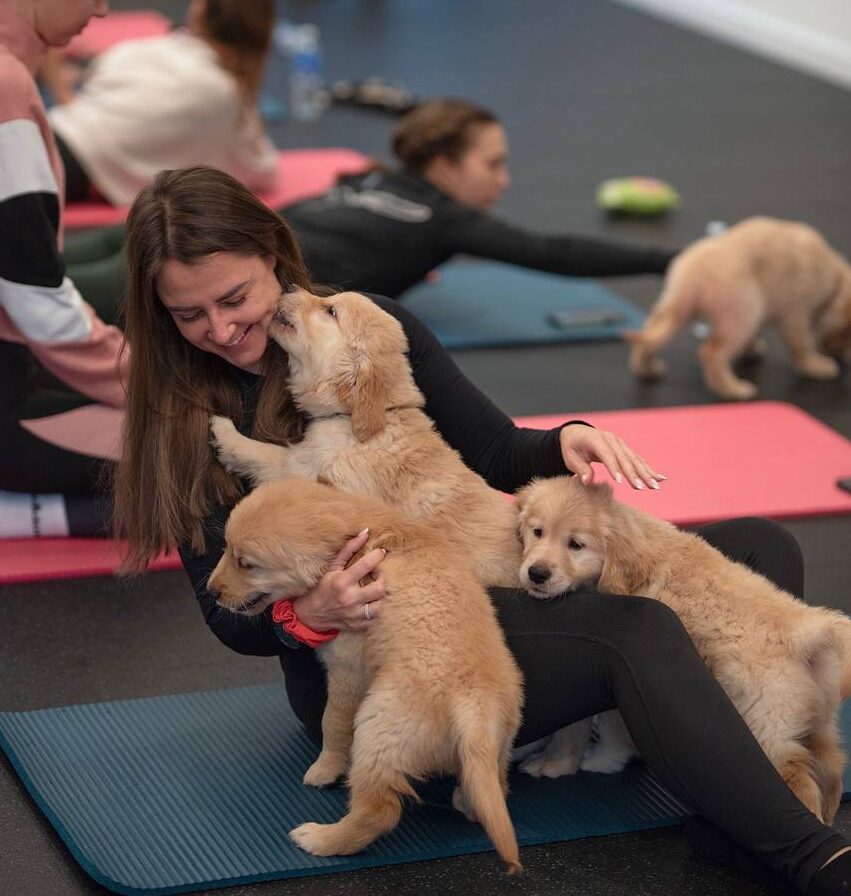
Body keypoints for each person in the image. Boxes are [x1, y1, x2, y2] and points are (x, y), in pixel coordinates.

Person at [113, 166, 851, 895]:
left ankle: (733, 793)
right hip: (399, 665)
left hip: (485, 585)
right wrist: (305, 615)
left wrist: (563, 438)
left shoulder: (366, 326)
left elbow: (493, 448)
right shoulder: (180, 416)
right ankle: (806, 855)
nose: (220, 327)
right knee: (637, 627)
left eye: (234, 297)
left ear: (273, 255)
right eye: (188, 315)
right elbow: (227, 618)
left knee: (761, 544)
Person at [279, 97, 678, 298]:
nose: (503, 181)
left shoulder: (368, 180)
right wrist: (669, 262)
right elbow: (554, 253)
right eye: (493, 165)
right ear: (444, 165)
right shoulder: (446, 220)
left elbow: (284, 218)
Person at [0, 0, 126, 539]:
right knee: (203, 458)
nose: (101, 8)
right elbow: (32, 292)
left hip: (20, 358)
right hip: (12, 386)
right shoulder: (5, 90)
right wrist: (147, 382)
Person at [47, 0, 278, 206]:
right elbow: (262, 169)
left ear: (200, 10)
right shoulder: (229, 99)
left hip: (51, 132)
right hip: (70, 165)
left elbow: (101, 73)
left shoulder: (153, 49)